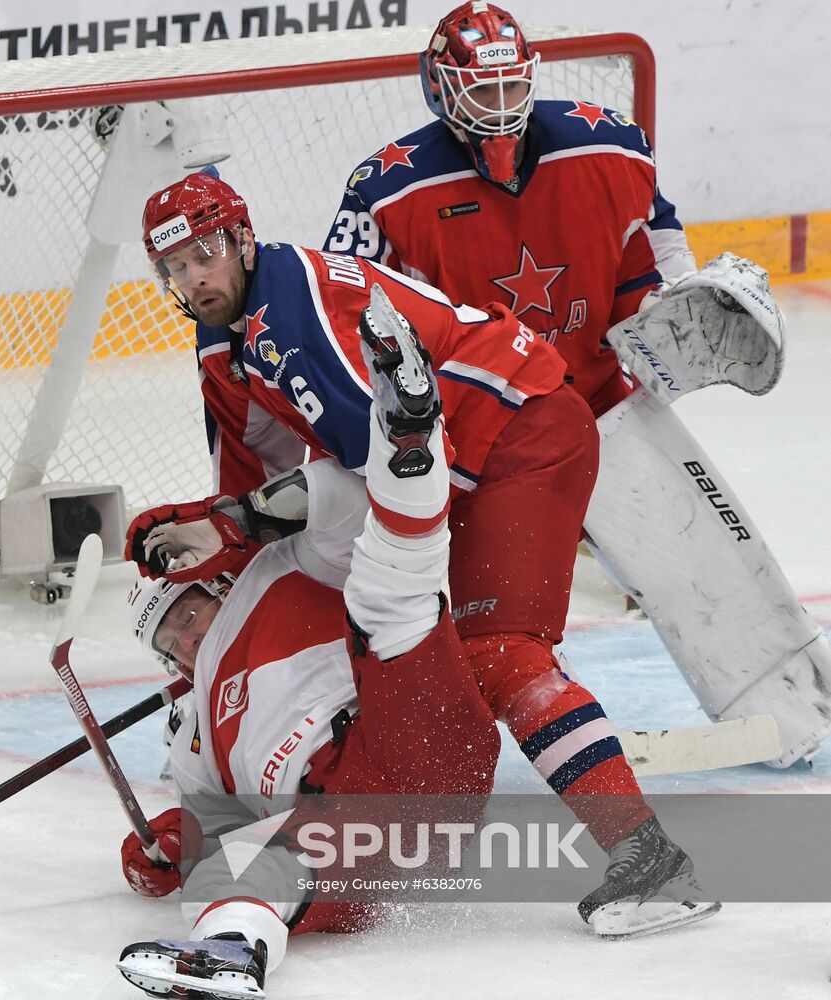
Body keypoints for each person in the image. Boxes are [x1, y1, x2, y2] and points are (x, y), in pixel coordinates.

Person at [129, 170, 718, 939]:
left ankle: (648, 859)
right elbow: (283, 481)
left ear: (241, 239)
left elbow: (391, 462)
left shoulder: (293, 320)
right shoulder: (234, 331)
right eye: (174, 267)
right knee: (455, 647)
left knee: (501, 652)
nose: (193, 277)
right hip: (473, 451)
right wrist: (227, 534)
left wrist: (237, 520)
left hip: (516, 432)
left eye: (205, 253)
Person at [326, 0, 828, 766]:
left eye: (508, 87)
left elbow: (657, 263)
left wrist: (677, 311)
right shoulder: (384, 188)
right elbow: (348, 315)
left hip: (603, 405)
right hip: (484, 443)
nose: (498, 109)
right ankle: (371, 745)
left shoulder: (610, 146)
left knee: (710, 571)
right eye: (479, 91)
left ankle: (795, 715)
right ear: (439, 88)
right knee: (445, 611)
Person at [116, 308, 502, 998]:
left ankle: (407, 432)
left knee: (392, 596)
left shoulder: (282, 569)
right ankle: (229, 954)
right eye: (166, 643)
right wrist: (171, 842)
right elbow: (214, 824)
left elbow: (345, 497)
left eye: (186, 615)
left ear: (216, 584)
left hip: (405, 742)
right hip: (358, 839)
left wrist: (234, 520)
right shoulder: (194, 728)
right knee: (232, 868)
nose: (183, 643)